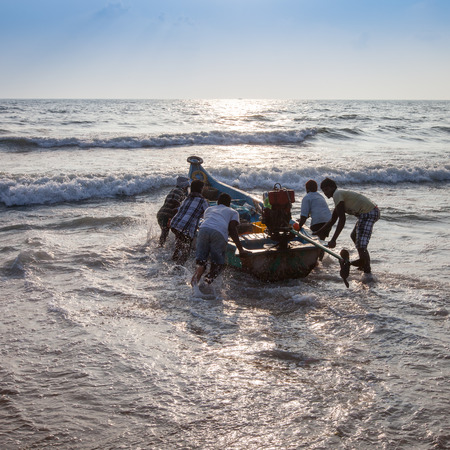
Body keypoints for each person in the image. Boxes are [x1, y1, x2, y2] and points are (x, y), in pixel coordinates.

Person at [315, 178, 380, 274]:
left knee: (361, 245)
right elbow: (332, 220)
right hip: (368, 212)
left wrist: (333, 240)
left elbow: (342, 219)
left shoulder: (337, 194)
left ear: (333, 187)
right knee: (354, 236)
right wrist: (317, 232)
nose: (325, 193)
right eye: (323, 191)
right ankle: (363, 264)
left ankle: (367, 270)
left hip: (368, 212)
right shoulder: (338, 197)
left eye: (326, 189)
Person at [191, 193, 249, 286]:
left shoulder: (209, 209)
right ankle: (206, 284)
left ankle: (194, 285)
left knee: (201, 262)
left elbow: (210, 222)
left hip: (203, 230)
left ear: (218, 202)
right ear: (229, 204)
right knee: (217, 265)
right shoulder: (233, 212)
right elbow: (232, 229)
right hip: (218, 232)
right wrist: (240, 249)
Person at [170, 179, 209, 265]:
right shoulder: (202, 201)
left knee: (179, 243)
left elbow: (180, 209)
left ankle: (174, 258)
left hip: (174, 224)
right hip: (185, 228)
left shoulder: (187, 198)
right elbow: (208, 215)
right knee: (186, 252)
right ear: (200, 189)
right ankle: (177, 268)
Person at [156, 176, 190, 247]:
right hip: (168, 215)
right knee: (167, 232)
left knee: (164, 232)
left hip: (160, 213)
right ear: (184, 186)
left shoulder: (173, 190)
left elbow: (167, 202)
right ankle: (160, 248)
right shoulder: (181, 192)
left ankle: (161, 246)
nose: (188, 189)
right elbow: (177, 205)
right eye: (187, 187)